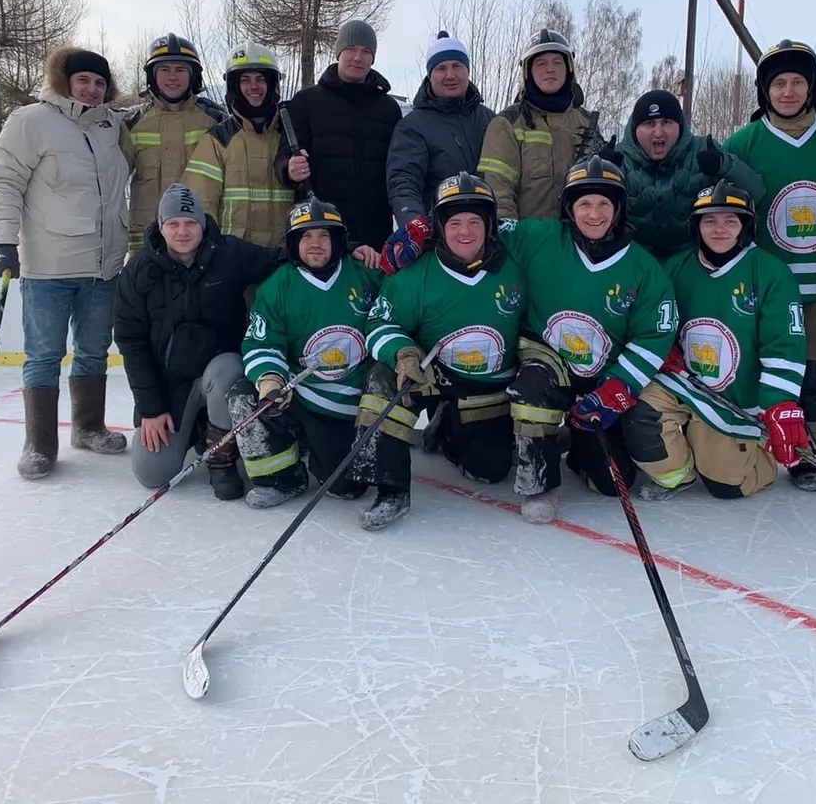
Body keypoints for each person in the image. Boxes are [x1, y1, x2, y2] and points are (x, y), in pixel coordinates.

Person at [499, 157, 678, 524]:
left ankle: (574, 442)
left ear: (618, 209)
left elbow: (654, 334)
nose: (593, 214)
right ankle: (539, 484)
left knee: (613, 483)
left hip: (602, 376)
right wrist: (421, 235)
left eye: (603, 204)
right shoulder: (540, 238)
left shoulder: (643, 267)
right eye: (584, 204)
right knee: (533, 387)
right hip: (546, 358)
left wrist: (620, 385)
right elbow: (475, 233)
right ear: (570, 208)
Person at [0, 45, 132, 481]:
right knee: (45, 354)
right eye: (84, 80)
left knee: (93, 351)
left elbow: (151, 115)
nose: (91, 89)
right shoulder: (31, 121)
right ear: (63, 81)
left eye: (100, 83)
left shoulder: (111, 125)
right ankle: (39, 444)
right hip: (48, 266)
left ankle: (87, 428)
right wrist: (3, 241)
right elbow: (4, 179)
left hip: (103, 264)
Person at [355, 172, 527, 530]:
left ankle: (447, 428)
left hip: (487, 384)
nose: (465, 232)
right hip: (431, 374)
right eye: (455, 223)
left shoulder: (515, 263)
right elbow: (379, 324)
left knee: (490, 471)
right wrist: (403, 353)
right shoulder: (416, 274)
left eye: (475, 222)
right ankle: (391, 489)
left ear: (489, 224)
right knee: (382, 380)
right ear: (439, 227)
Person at [723, 40, 816, 490]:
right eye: (779, 83)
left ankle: (810, 452)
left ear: (812, 86)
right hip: (766, 285)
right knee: (767, 370)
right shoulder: (743, 143)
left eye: (798, 81)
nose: (788, 91)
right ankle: (760, 442)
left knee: (812, 372)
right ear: (765, 90)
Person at [112, 184, 283, 499]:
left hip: (216, 377)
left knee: (230, 366)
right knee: (152, 474)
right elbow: (130, 340)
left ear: (203, 225)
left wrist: (345, 249)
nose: (182, 231)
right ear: (160, 226)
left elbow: (283, 258)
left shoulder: (230, 253)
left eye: (190, 223)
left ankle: (221, 460)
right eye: (173, 223)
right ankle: (194, 429)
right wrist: (151, 408)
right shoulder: (139, 270)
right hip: (167, 386)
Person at [641, 181, 809, 499]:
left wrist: (778, 403)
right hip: (685, 382)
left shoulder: (771, 272)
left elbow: (784, 344)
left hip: (735, 396)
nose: (720, 229)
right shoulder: (676, 267)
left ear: (745, 226)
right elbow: (656, 322)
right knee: (639, 414)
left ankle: (759, 456)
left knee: (726, 487)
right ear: (697, 226)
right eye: (710, 221)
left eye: (730, 221)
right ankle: (680, 474)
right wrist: (664, 349)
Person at [227, 197, 384, 508]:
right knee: (244, 394)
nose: (315, 244)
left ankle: (315, 446)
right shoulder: (278, 285)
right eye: (306, 236)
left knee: (347, 488)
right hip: (299, 390)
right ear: (293, 242)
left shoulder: (366, 274)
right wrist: (270, 379)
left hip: (346, 400)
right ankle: (281, 479)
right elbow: (263, 342)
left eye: (324, 235)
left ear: (338, 240)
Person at [273, 19, 402, 249]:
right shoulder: (307, 101)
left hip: (376, 231)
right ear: (338, 53)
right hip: (321, 229)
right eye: (351, 49)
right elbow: (284, 156)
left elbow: (398, 166)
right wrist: (289, 168)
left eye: (366, 51)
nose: (358, 57)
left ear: (373, 58)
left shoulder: (389, 109)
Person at [615, 89, 766, 261]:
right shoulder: (618, 159)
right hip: (635, 263)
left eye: (666, 122)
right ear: (635, 128)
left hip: (695, 263)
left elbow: (757, 192)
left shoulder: (703, 150)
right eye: (649, 123)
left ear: (680, 125)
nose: (658, 132)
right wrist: (602, 176)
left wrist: (725, 165)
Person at [477, 28, 600, 220]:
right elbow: (498, 190)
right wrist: (512, 238)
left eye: (557, 62)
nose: (550, 69)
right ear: (528, 72)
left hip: (579, 243)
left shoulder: (587, 122)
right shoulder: (507, 124)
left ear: (569, 69)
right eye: (541, 63)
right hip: (528, 241)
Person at [123, 34, 227, 251]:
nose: (172, 77)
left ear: (194, 76)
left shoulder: (216, 119)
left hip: (198, 235)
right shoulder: (131, 123)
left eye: (180, 69)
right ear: (152, 76)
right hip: (147, 238)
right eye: (164, 69)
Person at [188, 42, 295, 247]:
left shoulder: (291, 135)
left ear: (273, 84)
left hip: (285, 260)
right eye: (245, 80)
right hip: (235, 261)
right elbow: (201, 204)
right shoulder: (217, 140)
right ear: (234, 86)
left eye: (260, 79)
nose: (253, 86)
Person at [385, 30, 495, 226]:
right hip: (439, 234)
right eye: (441, 68)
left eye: (457, 66)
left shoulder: (491, 120)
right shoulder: (413, 126)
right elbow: (404, 182)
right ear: (430, 75)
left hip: (489, 230)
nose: (450, 75)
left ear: (467, 71)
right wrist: (414, 224)